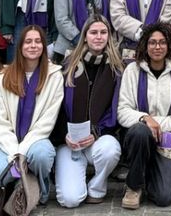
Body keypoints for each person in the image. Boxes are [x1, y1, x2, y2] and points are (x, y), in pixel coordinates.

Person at [116, 23, 171, 209]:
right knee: (141, 131)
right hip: (137, 139)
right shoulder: (132, 71)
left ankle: (148, 175)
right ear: (144, 45)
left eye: (162, 43)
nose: (157, 47)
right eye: (152, 43)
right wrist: (146, 119)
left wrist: (157, 124)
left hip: (164, 141)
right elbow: (122, 112)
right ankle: (133, 187)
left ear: (169, 45)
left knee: (164, 198)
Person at [52, 16, 123, 207]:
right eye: (93, 32)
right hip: (69, 142)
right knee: (70, 200)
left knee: (111, 149)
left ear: (109, 36)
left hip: (97, 140)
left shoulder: (116, 70)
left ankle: (97, 187)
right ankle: (75, 178)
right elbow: (55, 107)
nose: (98, 37)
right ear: (85, 37)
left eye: (103, 32)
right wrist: (63, 135)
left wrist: (97, 132)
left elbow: (115, 111)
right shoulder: (67, 67)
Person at [0, 24, 63, 199]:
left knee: (42, 156)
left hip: (37, 140)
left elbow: (47, 121)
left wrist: (22, 150)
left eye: (38, 41)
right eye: (28, 41)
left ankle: (40, 190)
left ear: (44, 46)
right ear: (20, 47)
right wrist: (14, 151)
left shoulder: (54, 76)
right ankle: (18, 185)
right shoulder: (3, 76)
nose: (33, 45)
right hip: (6, 143)